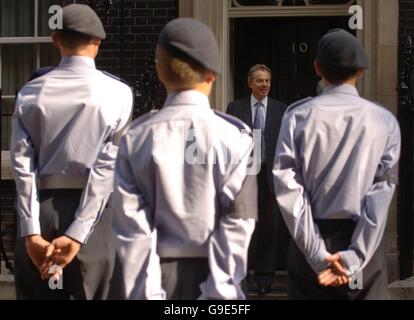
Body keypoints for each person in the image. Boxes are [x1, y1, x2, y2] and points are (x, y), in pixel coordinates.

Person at [110, 18, 257, 300]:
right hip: (216, 274)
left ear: (160, 71)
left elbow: (133, 230)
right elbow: (239, 222)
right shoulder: (237, 137)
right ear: (212, 75)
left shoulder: (135, 138)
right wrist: (219, 294)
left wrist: (149, 293)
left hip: (154, 273)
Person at [11, 4, 133, 299]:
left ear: (55, 40)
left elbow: (22, 165)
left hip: (42, 208)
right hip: (99, 214)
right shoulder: (118, 93)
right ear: (98, 42)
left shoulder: (30, 92)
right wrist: (77, 233)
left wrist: (31, 231)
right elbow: (106, 168)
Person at [273, 29, 401, 300]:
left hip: (309, 239)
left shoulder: (297, 116)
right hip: (365, 240)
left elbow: (289, 191)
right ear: (361, 72)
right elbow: (382, 193)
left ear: (317, 67)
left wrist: (317, 254)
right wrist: (355, 256)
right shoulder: (384, 121)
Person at [226, 65, 288, 294]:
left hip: (271, 177)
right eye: (260, 81)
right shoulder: (235, 107)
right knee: (243, 226)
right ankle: (242, 275)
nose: (264, 85)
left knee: (270, 228)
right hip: (245, 176)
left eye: (267, 81)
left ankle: (264, 278)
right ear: (250, 83)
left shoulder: (281, 110)